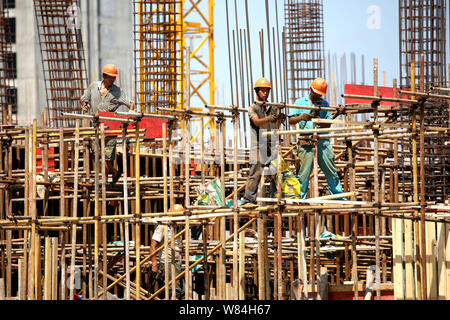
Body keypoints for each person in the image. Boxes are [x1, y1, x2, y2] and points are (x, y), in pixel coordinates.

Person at [288, 78, 345, 200]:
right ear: (310, 90)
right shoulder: (300, 102)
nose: (318, 96)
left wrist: (319, 118)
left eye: (320, 94)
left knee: (331, 172)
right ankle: (299, 199)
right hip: (306, 142)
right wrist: (302, 117)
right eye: (316, 93)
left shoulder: (324, 105)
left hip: (322, 142)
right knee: (303, 175)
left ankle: (338, 197)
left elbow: (328, 124)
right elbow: (291, 120)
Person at [80, 64, 134, 185]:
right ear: (104, 76)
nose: (112, 79)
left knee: (108, 154)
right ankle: (114, 172)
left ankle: (104, 180)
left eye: (114, 77)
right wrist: (85, 104)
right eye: (110, 77)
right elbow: (84, 98)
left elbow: (130, 103)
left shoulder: (117, 91)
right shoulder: (93, 87)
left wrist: (130, 112)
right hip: (96, 125)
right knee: (97, 153)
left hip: (111, 126)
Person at [241, 78, 282, 205]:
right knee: (255, 172)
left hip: (271, 146)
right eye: (263, 91)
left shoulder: (273, 107)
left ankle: (277, 197)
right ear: (257, 92)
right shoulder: (252, 108)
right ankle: (248, 199)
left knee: (277, 171)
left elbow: (276, 125)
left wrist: (279, 117)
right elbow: (257, 122)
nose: (265, 93)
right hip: (258, 146)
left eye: (267, 91)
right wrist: (270, 117)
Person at [150, 204, 185, 299]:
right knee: (174, 291)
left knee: (182, 292)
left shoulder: (176, 227)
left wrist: (180, 246)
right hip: (167, 262)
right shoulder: (163, 226)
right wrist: (154, 263)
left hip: (176, 261)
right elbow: (153, 245)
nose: (181, 220)